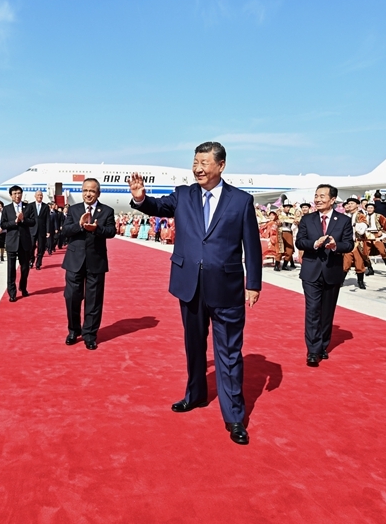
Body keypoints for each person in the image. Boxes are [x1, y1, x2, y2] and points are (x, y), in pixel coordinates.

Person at [129, 142, 261, 446]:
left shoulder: (241, 201)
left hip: (226, 288)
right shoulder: (183, 195)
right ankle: (195, 394)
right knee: (194, 345)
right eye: (195, 162)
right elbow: (156, 207)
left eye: (204, 163)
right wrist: (140, 198)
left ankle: (234, 416)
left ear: (221, 165)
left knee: (229, 353)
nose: (198, 168)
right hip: (189, 285)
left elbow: (252, 245)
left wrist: (253, 283)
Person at [295, 184, 354, 367]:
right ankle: (313, 351)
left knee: (327, 312)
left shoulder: (343, 220)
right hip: (311, 272)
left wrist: (336, 246)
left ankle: (322, 345)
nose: (318, 199)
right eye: (316, 196)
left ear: (332, 199)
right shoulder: (307, 219)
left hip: (332, 271)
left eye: (322, 196)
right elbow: (300, 241)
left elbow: (349, 244)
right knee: (312, 310)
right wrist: (314, 243)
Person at [62, 178, 116, 351]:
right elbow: (65, 230)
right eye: (85, 190)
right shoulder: (74, 209)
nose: (88, 194)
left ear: (98, 193)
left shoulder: (107, 211)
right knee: (71, 297)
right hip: (74, 261)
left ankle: (90, 335)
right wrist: (79, 225)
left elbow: (111, 231)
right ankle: (73, 330)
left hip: (96, 261)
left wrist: (96, 229)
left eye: (92, 191)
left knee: (94, 300)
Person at [0, 186, 34, 302]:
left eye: (19, 193)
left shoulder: (28, 207)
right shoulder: (7, 209)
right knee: (11, 269)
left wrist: (23, 219)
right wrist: (15, 222)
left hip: (24, 242)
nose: (17, 196)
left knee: (25, 268)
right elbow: (3, 224)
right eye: (14, 194)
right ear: (11, 195)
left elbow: (33, 222)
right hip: (12, 241)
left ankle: (23, 287)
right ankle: (12, 292)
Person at [342, 197, 369, 289]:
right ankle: (341, 281)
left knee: (359, 262)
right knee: (346, 262)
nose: (349, 205)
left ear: (357, 205)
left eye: (352, 203)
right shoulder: (346, 215)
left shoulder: (360, 215)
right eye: (349, 203)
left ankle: (360, 281)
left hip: (358, 242)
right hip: (347, 242)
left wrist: (355, 225)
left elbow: (363, 228)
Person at [29, 191, 49, 270]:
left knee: (41, 247)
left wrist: (48, 231)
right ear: (35, 196)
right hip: (32, 229)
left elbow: (48, 219)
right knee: (31, 246)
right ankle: (31, 260)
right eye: (38, 195)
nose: (39, 196)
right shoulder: (30, 206)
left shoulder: (45, 206)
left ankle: (38, 263)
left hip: (42, 230)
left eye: (41, 195)